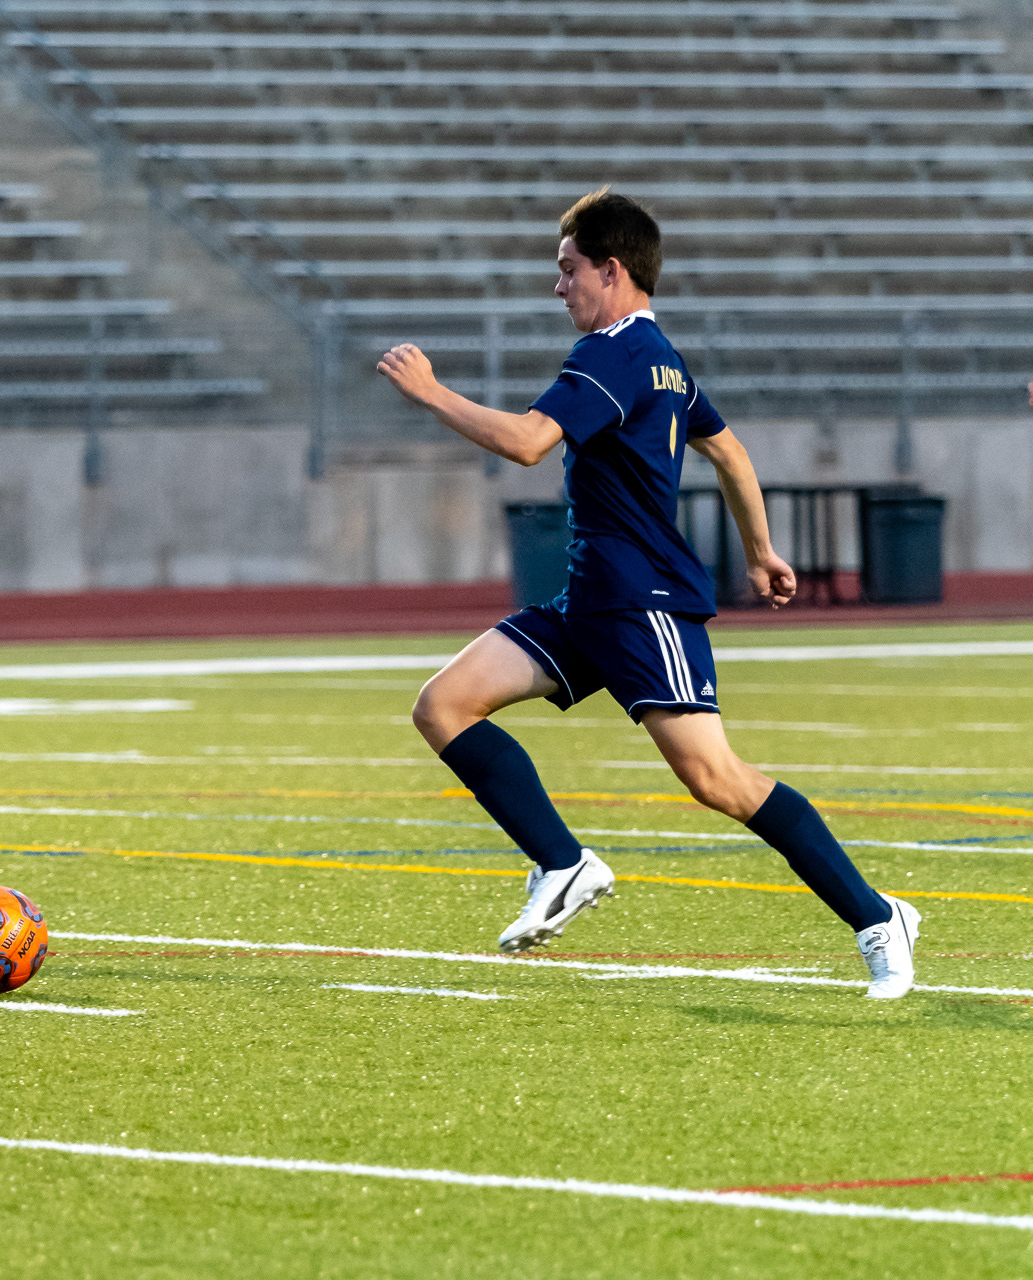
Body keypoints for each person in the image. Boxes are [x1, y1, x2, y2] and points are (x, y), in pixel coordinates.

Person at [376, 187, 919, 999]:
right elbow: (728, 452)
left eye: (568, 269)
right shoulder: (660, 355)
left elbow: (527, 442)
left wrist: (430, 392)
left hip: (642, 601)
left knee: (716, 779)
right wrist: (761, 550)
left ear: (612, 269)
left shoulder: (612, 354)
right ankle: (563, 864)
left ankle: (878, 917)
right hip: (591, 599)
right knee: (443, 705)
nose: (559, 285)